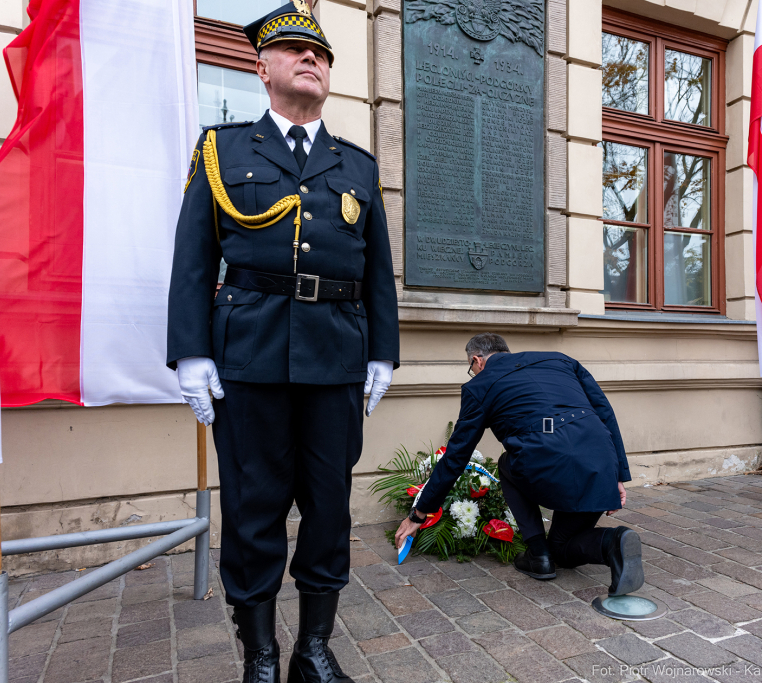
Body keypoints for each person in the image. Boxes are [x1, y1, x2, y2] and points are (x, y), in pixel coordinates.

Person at [166, 2, 399, 681]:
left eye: (321, 54)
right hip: (250, 353)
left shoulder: (355, 165)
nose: (311, 59)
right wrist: (192, 350)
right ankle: (262, 655)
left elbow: (377, 269)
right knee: (253, 504)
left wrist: (382, 350)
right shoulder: (223, 150)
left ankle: (314, 650)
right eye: (295, 50)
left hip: (335, 355)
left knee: (329, 505)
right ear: (260, 66)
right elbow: (192, 259)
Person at [393, 333, 644, 596]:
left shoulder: (479, 386)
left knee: (506, 464)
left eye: (471, 367)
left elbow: (456, 456)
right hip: (599, 459)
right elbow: (605, 412)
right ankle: (613, 542)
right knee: (563, 546)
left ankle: (538, 554)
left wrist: (419, 514)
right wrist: (616, 475)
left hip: (545, 462)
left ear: (477, 360)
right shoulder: (561, 360)